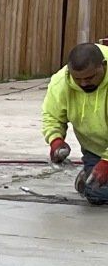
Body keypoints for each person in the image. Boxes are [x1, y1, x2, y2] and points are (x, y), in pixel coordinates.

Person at [42, 42, 108, 204]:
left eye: (89, 77)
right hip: (95, 149)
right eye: (77, 79)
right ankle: (87, 177)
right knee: (96, 193)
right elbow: (52, 117)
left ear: (103, 66)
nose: (84, 83)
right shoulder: (60, 82)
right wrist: (56, 141)